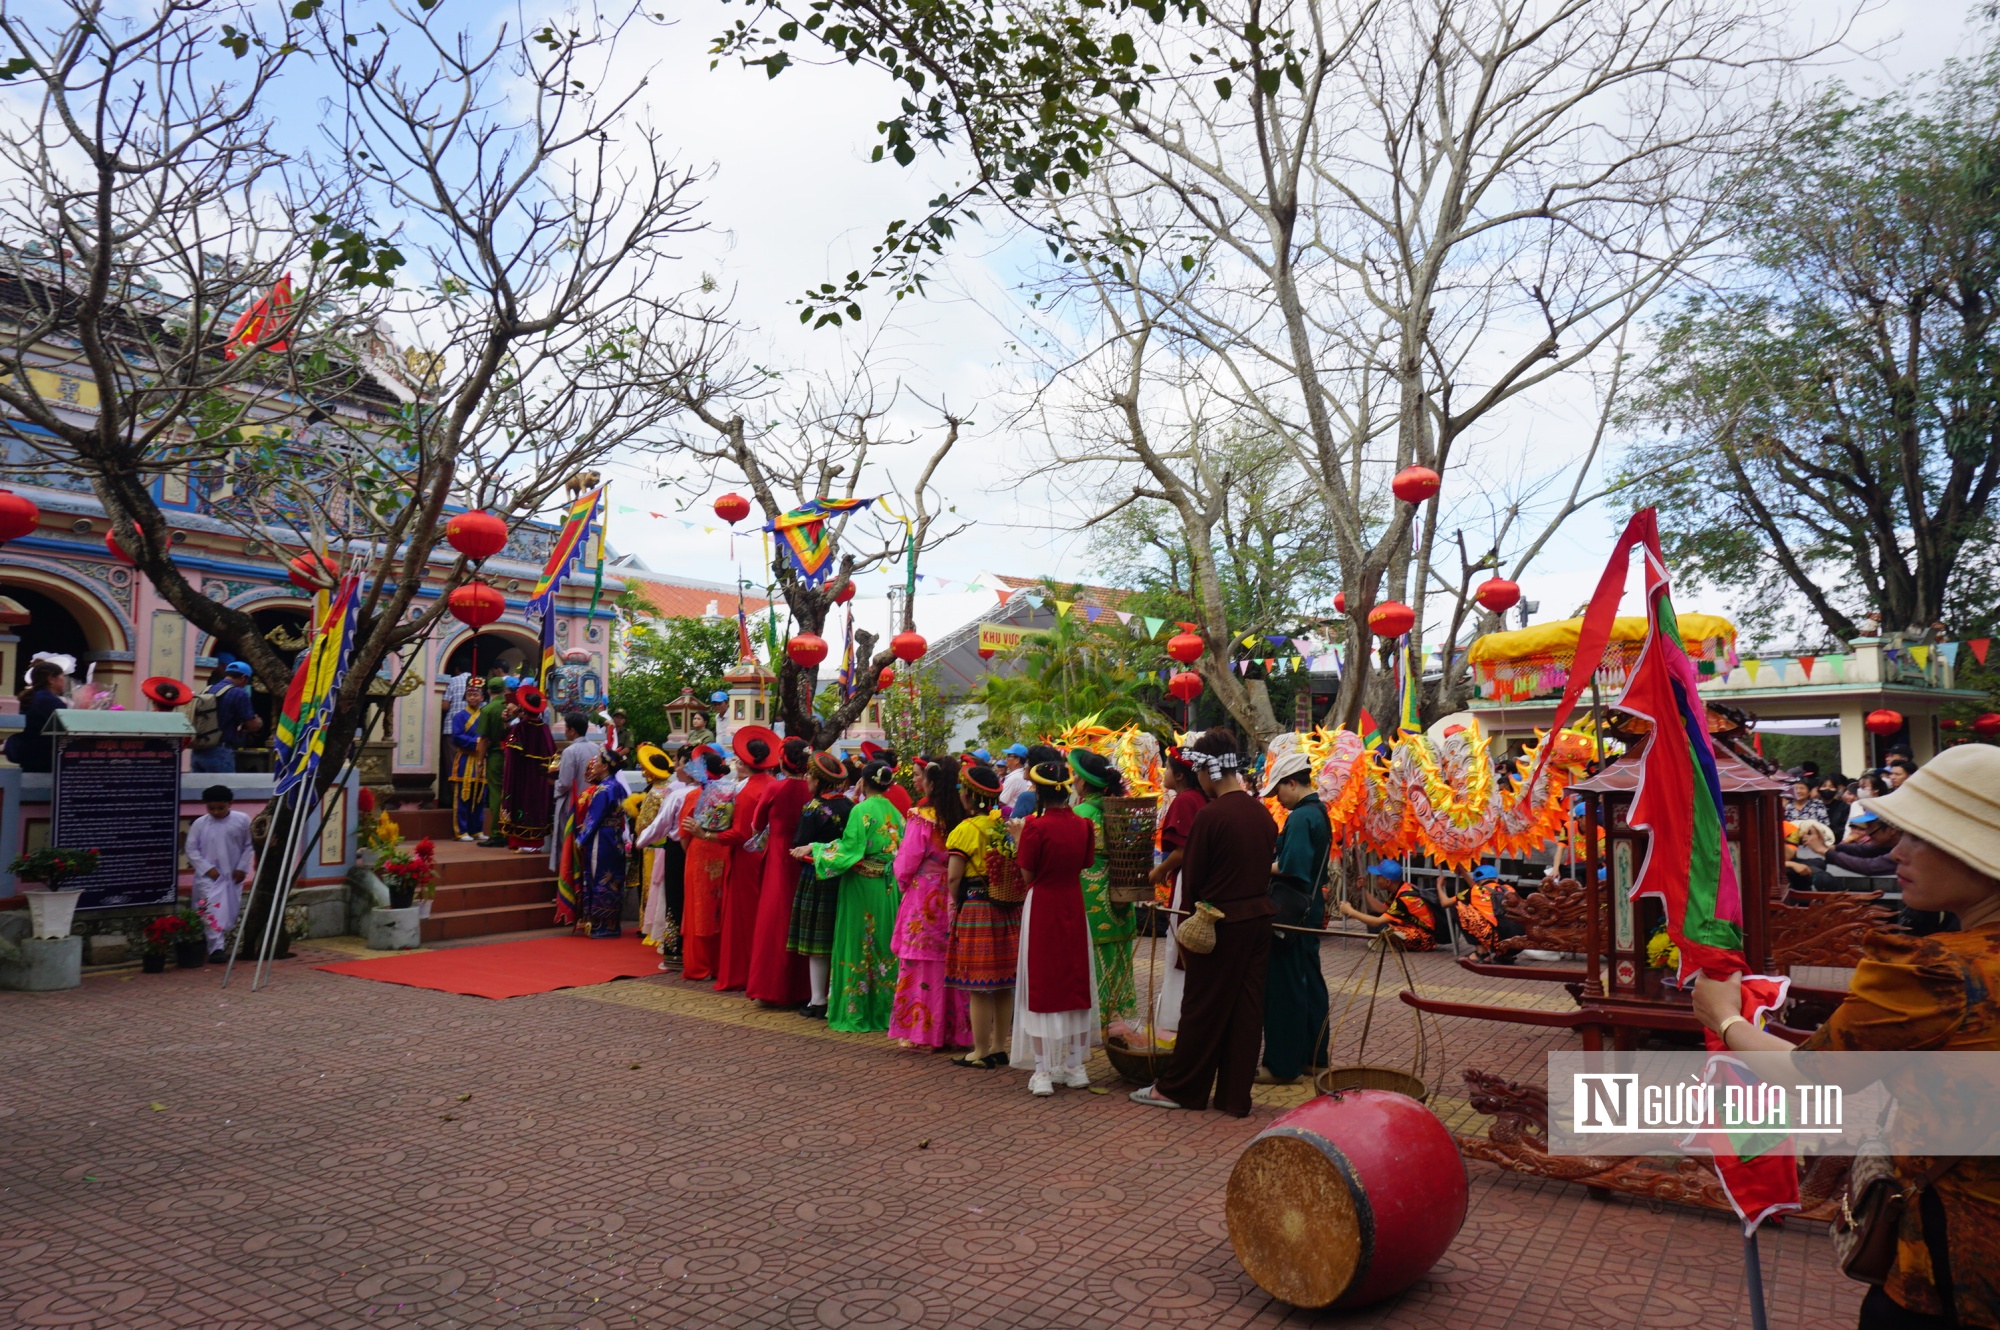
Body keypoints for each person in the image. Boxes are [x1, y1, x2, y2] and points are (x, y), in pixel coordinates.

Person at [1692, 744, 2000, 1330]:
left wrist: (1726, 1020)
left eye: (1921, 837)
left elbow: (1815, 1073)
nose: (1898, 851)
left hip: (1955, 1265)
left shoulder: (1934, 970)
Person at [1132, 730, 1278, 1117]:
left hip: (1220, 923)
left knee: (1201, 1007)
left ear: (1208, 771)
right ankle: (1234, 1098)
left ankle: (1181, 1089)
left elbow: (1193, 882)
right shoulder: (1262, 813)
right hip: (1259, 920)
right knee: (1247, 1009)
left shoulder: (1211, 816)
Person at [1009, 760, 1099, 1095]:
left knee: (1042, 982)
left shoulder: (1034, 828)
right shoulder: (1083, 825)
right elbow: (1086, 863)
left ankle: (1043, 1070)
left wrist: (1019, 839)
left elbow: (1028, 875)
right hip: (1073, 903)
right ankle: (1075, 1066)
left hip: (1043, 905)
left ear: (1039, 791)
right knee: (1074, 978)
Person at [795, 758, 904, 1032]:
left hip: (861, 887)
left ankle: (856, 1012)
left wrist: (815, 849)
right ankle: (885, 1011)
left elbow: (849, 849)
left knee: (858, 944)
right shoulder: (896, 812)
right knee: (882, 947)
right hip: (888, 888)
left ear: (863, 782)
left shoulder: (861, 810)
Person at [888, 756, 973, 1051]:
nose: (916, 780)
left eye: (919, 775)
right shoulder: (963, 814)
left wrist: (903, 882)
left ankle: (921, 1032)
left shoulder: (922, 815)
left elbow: (907, 860)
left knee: (920, 962)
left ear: (932, 781)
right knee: (951, 962)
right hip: (955, 892)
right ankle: (956, 1032)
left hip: (923, 894)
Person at [1259, 749, 1329, 1086]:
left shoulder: (1300, 818)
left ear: (1291, 783)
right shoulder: (1320, 812)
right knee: (1310, 982)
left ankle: (1282, 1065)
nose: (1278, 799)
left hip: (1291, 914)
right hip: (1310, 911)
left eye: (1279, 791)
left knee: (1285, 987)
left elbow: (1290, 867)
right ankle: (1314, 1058)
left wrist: (1255, 866)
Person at [945, 763, 1019, 1068]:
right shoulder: (1002, 825)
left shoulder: (965, 829)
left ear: (967, 795)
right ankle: (1001, 1047)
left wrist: (956, 902)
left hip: (976, 908)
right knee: (1003, 983)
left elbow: (953, 878)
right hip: (1006, 908)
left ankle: (980, 1050)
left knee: (978, 986)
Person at [1069, 747, 1137, 1032]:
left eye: (1075, 776)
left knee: (1093, 957)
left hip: (1089, 897)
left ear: (1084, 783)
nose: (1073, 780)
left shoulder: (1080, 814)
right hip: (1120, 895)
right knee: (1119, 955)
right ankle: (1120, 1017)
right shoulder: (1120, 811)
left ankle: (1096, 1020)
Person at [745, 736, 814, 1007]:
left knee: (775, 919)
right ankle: (805, 989)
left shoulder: (774, 789)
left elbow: (756, 826)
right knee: (803, 917)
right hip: (806, 858)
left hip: (778, 857)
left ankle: (772, 988)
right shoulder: (813, 789)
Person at [711, 726, 780, 992]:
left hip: (746, 857)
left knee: (742, 917)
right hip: (768, 856)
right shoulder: (773, 785)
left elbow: (739, 833)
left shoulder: (747, 791)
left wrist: (706, 834)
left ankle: (740, 974)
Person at [787, 752, 855, 1018]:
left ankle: (817, 1000)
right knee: (838, 937)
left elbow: (799, 845)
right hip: (845, 877)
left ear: (816, 779)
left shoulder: (813, 808)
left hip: (816, 875)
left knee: (817, 940)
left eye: (809, 776)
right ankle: (834, 995)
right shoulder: (850, 805)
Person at [1148, 745, 1208, 1037]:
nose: (1164, 772)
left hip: (1187, 879)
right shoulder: (1200, 797)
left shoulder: (1185, 801)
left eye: (1168, 767)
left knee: (1179, 945)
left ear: (1180, 775)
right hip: (1200, 878)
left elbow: (1182, 850)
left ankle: (1175, 1021)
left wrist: (1159, 870)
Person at [678, 747, 735, 981]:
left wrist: (693, 848)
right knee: (719, 905)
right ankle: (719, 963)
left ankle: (698, 966)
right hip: (722, 850)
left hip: (699, 852)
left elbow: (683, 835)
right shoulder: (730, 793)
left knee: (698, 907)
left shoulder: (693, 796)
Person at [186, 784, 253, 962]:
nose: (216, 812)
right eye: (211, 808)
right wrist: (208, 869)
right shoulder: (200, 824)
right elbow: (191, 850)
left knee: (229, 909)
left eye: (220, 808)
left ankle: (220, 943)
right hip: (209, 877)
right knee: (210, 910)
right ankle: (216, 948)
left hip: (232, 876)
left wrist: (242, 868)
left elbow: (249, 845)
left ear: (230, 804)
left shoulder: (242, 820)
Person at [631, 743, 684, 964]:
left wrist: (640, 837)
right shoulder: (672, 788)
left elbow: (644, 824)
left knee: (653, 888)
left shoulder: (656, 793)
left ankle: (650, 928)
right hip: (674, 844)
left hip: (656, 845)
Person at [571, 751, 628, 938]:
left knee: (599, 875)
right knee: (614, 877)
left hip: (601, 838)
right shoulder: (618, 786)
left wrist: (581, 839)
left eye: (598, 762)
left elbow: (593, 818)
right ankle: (612, 924)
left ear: (605, 767)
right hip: (615, 836)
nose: (594, 764)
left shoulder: (603, 789)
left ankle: (600, 924)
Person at [1338, 860, 1441, 951]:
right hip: (1410, 928)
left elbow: (1377, 922)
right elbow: (1382, 909)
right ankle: (1385, 942)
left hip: (1424, 939)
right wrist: (1364, 890)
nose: (1376, 879)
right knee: (1375, 915)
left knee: (1382, 925)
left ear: (1387, 881)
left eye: (1378, 877)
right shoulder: (1401, 888)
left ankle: (1390, 943)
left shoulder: (1404, 899)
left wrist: (1350, 911)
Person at [499, 688, 555, 851]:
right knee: (536, 805)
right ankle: (535, 844)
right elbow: (552, 755)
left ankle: (521, 843)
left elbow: (510, 753)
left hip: (521, 776)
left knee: (521, 804)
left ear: (523, 707)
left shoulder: (520, 728)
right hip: (539, 778)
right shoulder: (544, 729)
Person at [550, 711, 601, 876]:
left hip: (573, 805)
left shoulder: (570, 751)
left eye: (566, 728)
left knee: (569, 845)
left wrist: (554, 783)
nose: (565, 731)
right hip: (593, 802)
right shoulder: (596, 748)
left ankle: (570, 889)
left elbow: (564, 782)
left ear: (572, 730)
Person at [192, 661, 260, 774]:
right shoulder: (239, 693)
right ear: (244, 678)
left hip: (198, 751)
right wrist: (258, 722)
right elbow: (252, 726)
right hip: (220, 752)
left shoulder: (207, 690)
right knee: (222, 788)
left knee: (200, 790)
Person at [10, 657, 69, 772]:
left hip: (26, 755)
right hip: (39, 758)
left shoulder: (34, 696)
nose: (64, 682)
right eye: (62, 677)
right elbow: (66, 724)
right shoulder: (48, 700)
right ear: (51, 679)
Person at [447, 678, 487, 841]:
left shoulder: (484, 716)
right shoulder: (459, 716)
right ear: (465, 697)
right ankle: (461, 830)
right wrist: (477, 743)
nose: (472, 698)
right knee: (463, 796)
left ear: (482, 697)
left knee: (479, 795)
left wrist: (484, 744)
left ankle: (476, 829)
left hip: (480, 760)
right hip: (464, 759)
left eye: (476, 694)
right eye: (469, 694)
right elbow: (456, 737)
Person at [474, 675, 509, 845]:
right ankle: (511, 830)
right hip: (511, 756)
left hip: (495, 756)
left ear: (488, 691)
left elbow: (484, 739)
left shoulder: (487, 710)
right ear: (504, 690)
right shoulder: (510, 707)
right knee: (509, 792)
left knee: (496, 795)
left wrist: (480, 762)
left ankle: (497, 833)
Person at [1011, 745, 1062, 818]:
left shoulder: (1026, 797)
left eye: (1028, 763)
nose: (1025, 767)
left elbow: (1013, 825)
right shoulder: (1058, 795)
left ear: (1035, 768)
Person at [999, 744, 1033, 814]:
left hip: (1010, 817)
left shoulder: (1013, 778)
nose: (1006, 758)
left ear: (1017, 760)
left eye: (1009, 756)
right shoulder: (1024, 775)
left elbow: (1002, 801)